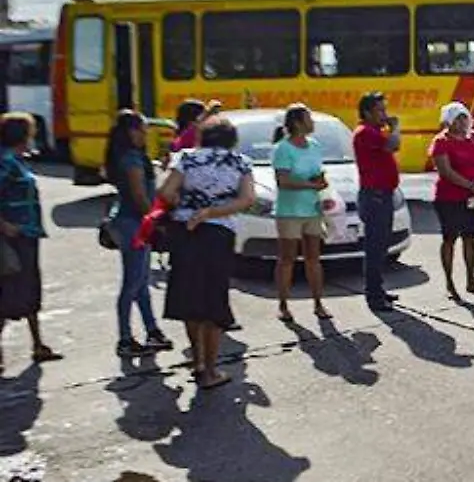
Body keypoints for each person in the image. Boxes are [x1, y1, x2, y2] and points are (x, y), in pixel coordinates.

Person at [159, 118, 254, 390]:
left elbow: (165, 191)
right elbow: (247, 199)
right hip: (218, 234)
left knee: (190, 298)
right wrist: (212, 212)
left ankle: (198, 362)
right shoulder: (240, 162)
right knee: (214, 300)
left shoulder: (186, 158)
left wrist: (186, 206)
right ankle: (211, 371)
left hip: (185, 233)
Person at [106, 109, 173, 358]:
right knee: (132, 283)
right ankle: (125, 338)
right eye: (142, 130)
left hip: (130, 222)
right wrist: (156, 220)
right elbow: (139, 196)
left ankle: (152, 330)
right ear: (131, 132)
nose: (145, 134)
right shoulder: (131, 159)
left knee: (141, 282)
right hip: (132, 223)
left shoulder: (129, 156)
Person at [0, 114, 62, 374]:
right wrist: (4, 225)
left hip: (28, 233)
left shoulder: (19, 161)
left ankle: (38, 344)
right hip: (13, 236)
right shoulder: (5, 162)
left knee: (29, 288)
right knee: (9, 291)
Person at [271, 104, 331, 323]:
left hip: (312, 209)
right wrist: (309, 185)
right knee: (287, 259)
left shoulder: (314, 146)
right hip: (289, 212)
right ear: (297, 123)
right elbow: (283, 181)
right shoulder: (282, 149)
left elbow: (318, 173)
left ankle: (318, 303)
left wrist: (322, 183)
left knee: (313, 258)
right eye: (308, 118)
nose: (312, 122)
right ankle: (283, 305)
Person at [430, 102, 474, 301]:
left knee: (470, 237)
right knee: (449, 239)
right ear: (449, 121)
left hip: (473, 197)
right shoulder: (441, 141)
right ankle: (449, 283)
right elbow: (445, 171)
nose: (463, 122)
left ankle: (471, 281)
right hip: (449, 198)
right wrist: (470, 185)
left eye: (465, 117)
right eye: (458, 118)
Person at [352, 92, 401, 312]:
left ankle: (378, 289)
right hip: (375, 197)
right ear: (367, 113)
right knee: (374, 248)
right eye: (380, 110)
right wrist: (395, 127)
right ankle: (373, 295)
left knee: (381, 247)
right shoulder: (365, 133)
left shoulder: (376, 131)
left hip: (384, 195)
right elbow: (394, 144)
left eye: (385, 110)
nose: (385, 115)